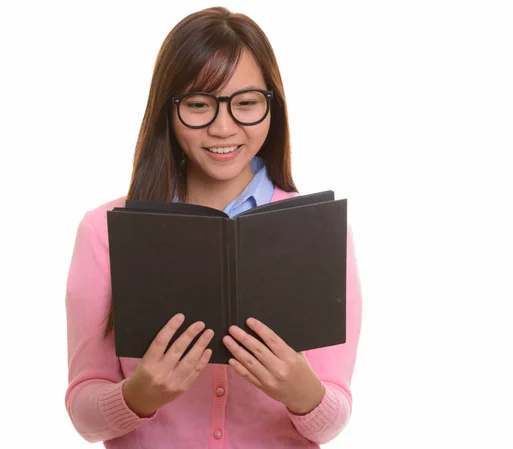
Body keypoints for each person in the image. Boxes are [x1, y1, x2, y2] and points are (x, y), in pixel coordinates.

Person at [64, 6, 362, 449]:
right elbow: (84, 417)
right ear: (169, 109)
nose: (224, 128)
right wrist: (139, 395)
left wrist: (304, 394)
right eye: (199, 105)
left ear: (271, 105)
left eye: (245, 103)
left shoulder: (315, 230)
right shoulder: (104, 231)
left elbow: (334, 417)